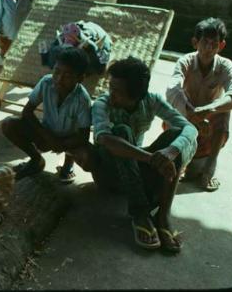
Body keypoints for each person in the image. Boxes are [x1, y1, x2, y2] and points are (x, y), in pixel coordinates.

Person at [73, 57, 198, 252]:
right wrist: (151, 158)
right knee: (121, 131)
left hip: (136, 170)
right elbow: (105, 139)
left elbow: (190, 128)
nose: (110, 94)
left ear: (137, 94)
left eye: (117, 91)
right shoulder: (102, 104)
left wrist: (169, 152)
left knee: (178, 137)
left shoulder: (151, 100)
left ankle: (162, 216)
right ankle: (140, 213)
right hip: (110, 173)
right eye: (110, 87)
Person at [165, 18, 232, 192]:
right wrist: (193, 114)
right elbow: (172, 90)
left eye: (214, 44)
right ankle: (183, 161)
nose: (209, 49)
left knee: (224, 112)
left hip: (208, 129)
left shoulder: (226, 66)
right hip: (185, 121)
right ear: (195, 42)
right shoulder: (185, 62)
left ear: (221, 46)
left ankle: (209, 168)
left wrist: (208, 110)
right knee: (174, 106)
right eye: (204, 43)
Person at [2, 47, 92, 183]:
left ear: (80, 78)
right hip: (46, 132)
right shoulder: (46, 82)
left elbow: (83, 136)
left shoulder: (83, 99)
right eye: (56, 72)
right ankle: (36, 159)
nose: (59, 79)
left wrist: (60, 144)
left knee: (88, 158)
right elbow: (27, 112)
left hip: (69, 141)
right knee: (9, 124)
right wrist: (47, 136)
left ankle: (68, 164)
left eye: (67, 76)